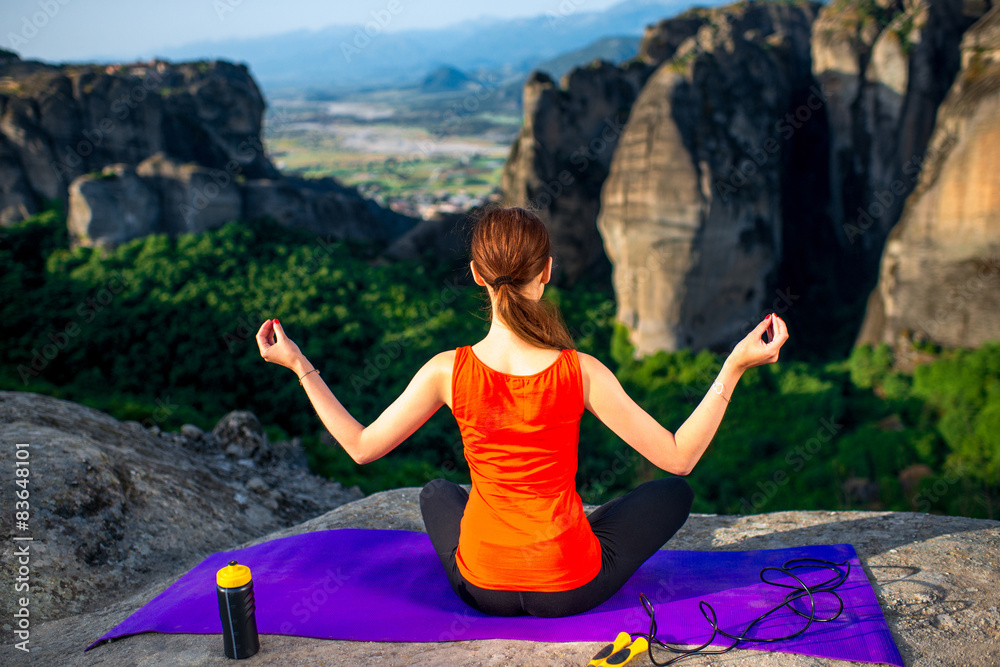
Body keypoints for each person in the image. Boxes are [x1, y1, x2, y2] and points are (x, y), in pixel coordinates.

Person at [255, 204, 789, 618]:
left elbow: (361, 446)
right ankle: (572, 531)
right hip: (568, 588)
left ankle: (523, 546)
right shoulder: (579, 371)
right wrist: (734, 367)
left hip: (482, 589)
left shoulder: (447, 370)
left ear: (475, 275)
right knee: (673, 493)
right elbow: (678, 458)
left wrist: (299, 363)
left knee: (437, 493)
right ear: (546, 273)